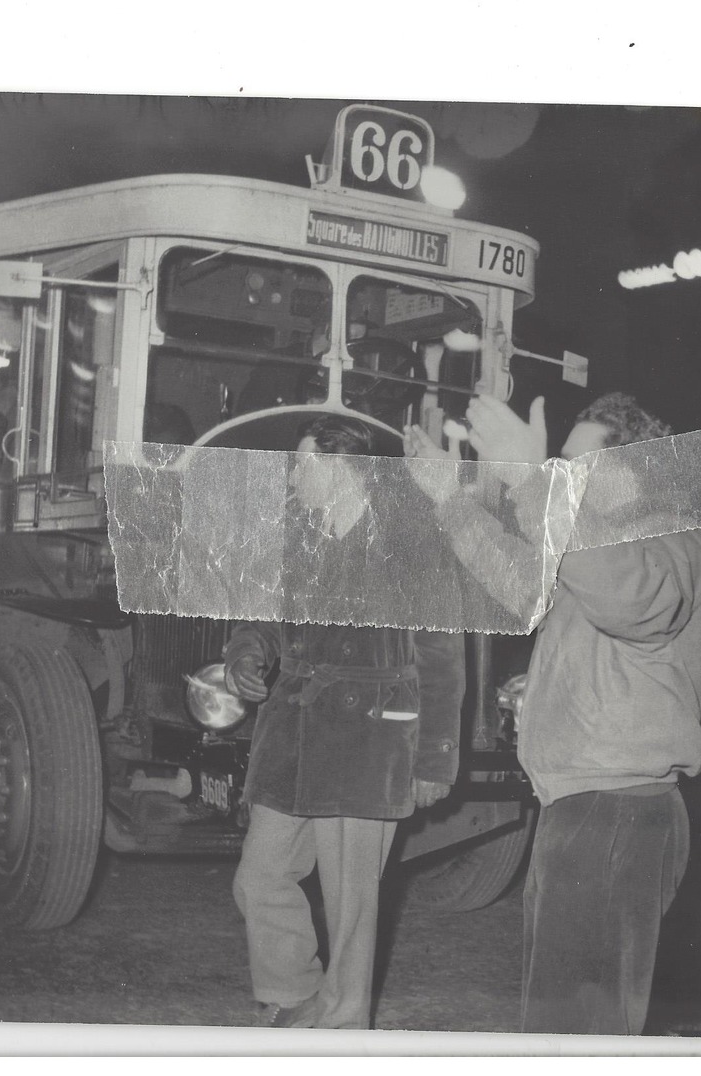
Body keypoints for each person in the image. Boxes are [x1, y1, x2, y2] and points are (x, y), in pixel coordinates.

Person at [405, 391, 701, 1036]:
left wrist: (530, 476)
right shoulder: (600, 548)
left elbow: (633, 603)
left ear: (630, 472)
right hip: (586, 808)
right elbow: (521, 582)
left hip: (615, 812)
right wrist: (449, 499)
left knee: (577, 1028)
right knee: (562, 1016)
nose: (562, 477)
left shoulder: (670, 536)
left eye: (576, 465)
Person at [224, 414, 465, 1030]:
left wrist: (435, 757)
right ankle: (294, 993)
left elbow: (440, 653)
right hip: (297, 736)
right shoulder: (298, 537)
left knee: (351, 903)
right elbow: (265, 620)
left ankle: (342, 1025)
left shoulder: (408, 538)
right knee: (260, 877)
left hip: (371, 741)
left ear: (341, 466)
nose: (294, 477)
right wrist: (245, 654)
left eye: (304, 463)